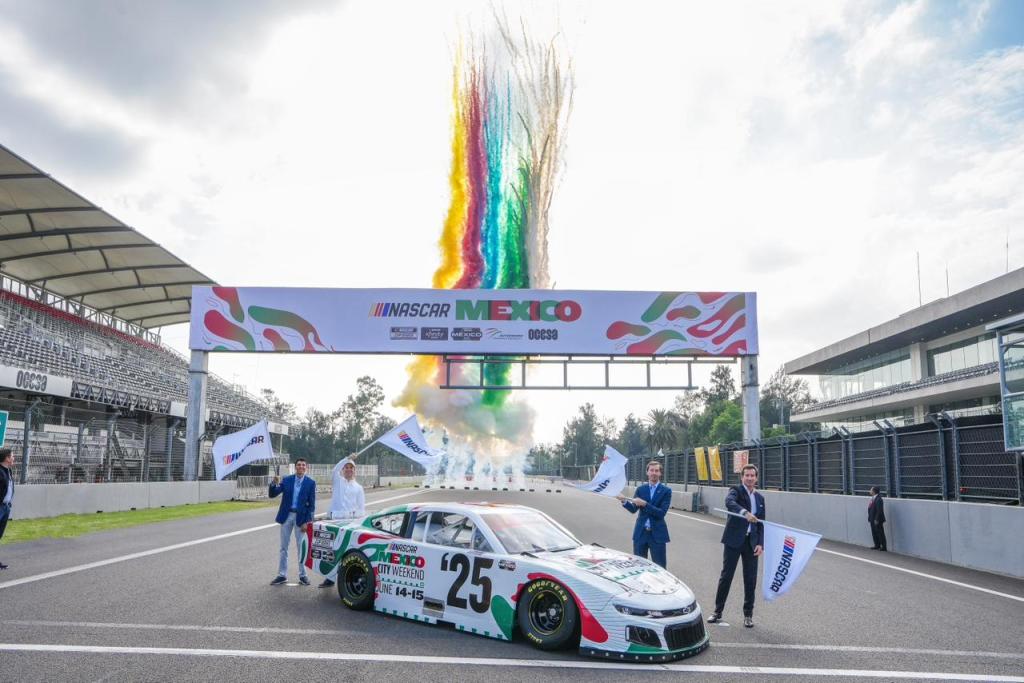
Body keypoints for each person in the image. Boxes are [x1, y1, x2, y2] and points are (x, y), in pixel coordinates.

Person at [708, 463, 765, 628]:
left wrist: (760, 543)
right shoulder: (736, 491)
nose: (749, 478)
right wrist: (745, 513)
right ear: (742, 477)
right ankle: (717, 612)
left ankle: (748, 615)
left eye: (752, 475)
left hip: (751, 543)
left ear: (756, 478)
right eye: (747, 475)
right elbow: (729, 502)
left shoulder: (760, 498)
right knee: (726, 576)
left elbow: (761, 523)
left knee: (750, 579)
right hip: (733, 541)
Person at [319, 455, 365, 588]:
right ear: (343, 469)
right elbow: (334, 470)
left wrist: (350, 515)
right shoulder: (338, 481)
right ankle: (330, 578)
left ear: (355, 471)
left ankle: (346, 578)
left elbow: (361, 510)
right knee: (331, 549)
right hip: (335, 521)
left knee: (346, 549)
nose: (349, 469)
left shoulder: (358, 488)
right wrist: (347, 459)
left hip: (349, 523)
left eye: (351, 467)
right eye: (346, 467)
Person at [268, 458, 316, 586]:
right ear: (295, 467)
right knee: (283, 547)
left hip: (301, 519)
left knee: (301, 547)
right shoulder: (287, 480)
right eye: (299, 465)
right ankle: (282, 575)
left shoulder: (311, 483)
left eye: (303, 465)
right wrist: (273, 483)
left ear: (306, 467)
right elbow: (273, 494)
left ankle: (303, 575)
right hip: (287, 516)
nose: (301, 467)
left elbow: (311, 505)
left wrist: (308, 522)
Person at [616, 460, 671, 568]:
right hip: (641, 533)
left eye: (656, 470)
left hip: (657, 535)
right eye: (651, 470)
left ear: (660, 473)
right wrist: (624, 501)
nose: (654, 473)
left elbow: (661, 513)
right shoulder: (641, 489)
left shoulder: (666, 491)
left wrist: (645, 504)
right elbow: (633, 509)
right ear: (647, 472)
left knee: (659, 567)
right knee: (638, 565)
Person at [0, 448, 13, 570]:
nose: (13, 458)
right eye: (12, 456)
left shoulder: (8, 470)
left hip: (6, 507)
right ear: (7, 458)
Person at [868, 485, 887, 551]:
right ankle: (877, 545)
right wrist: (870, 517)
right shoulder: (873, 498)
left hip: (877, 519)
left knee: (880, 533)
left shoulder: (879, 499)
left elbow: (879, 510)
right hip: (872, 518)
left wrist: (876, 519)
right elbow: (870, 509)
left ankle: (883, 546)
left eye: (871, 490)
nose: (870, 491)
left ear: (874, 491)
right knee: (874, 532)